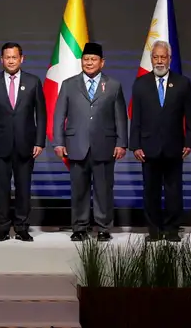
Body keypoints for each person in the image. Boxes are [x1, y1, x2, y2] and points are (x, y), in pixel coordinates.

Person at [52, 42, 127, 242]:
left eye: (93, 59)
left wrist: (122, 143)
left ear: (102, 62)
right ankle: (79, 227)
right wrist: (58, 142)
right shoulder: (69, 84)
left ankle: (103, 228)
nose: (89, 63)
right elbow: (59, 116)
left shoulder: (113, 85)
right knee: (79, 190)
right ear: (81, 61)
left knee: (104, 190)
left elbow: (121, 118)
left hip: (105, 146)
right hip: (76, 145)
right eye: (86, 59)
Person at [130, 40, 191, 243]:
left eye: (163, 57)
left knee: (173, 191)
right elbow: (136, 118)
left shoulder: (183, 83)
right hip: (148, 147)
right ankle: (154, 230)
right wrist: (135, 145)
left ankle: (172, 229)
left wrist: (190, 141)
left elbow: (190, 115)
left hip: (174, 146)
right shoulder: (140, 84)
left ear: (170, 59)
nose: (159, 61)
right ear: (151, 59)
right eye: (156, 57)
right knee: (150, 191)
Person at [0, 42, 45, 242]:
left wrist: (39, 142)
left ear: (21, 59)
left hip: (26, 145)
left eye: (14, 57)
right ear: (1, 60)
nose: (11, 61)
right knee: (1, 189)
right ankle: (2, 228)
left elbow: (41, 115)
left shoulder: (33, 82)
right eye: (7, 57)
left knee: (24, 188)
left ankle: (22, 227)